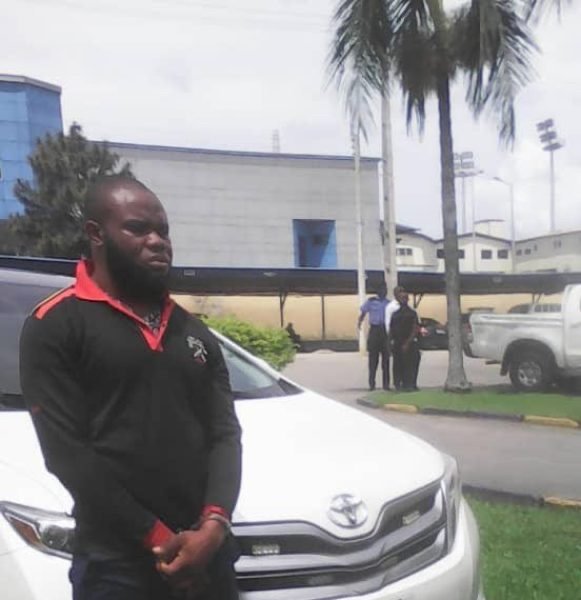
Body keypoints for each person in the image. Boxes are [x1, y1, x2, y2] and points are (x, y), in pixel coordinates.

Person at [19, 175, 242, 600]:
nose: (157, 241)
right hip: (117, 567)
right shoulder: (56, 325)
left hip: (209, 560)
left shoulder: (192, 331)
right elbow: (68, 455)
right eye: (138, 229)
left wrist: (214, 526)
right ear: (96, 234)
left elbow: (225, 434)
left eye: (163, 231)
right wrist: (160, 539)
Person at [357, 284, 390, 390]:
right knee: (373, 359)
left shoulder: (388, 303)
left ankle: (386, 384)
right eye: (382, 289)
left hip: (385, 331)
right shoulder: (371, 302)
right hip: (374, 330)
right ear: (378, 291)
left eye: (385, 290)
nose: (384, 291)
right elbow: (363, 312)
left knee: (386, 360)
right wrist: (359, 322)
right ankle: (372, 384)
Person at [390, 292, 421, 391]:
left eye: (405, 298)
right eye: (401, 298)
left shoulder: (412, 313)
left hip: (410, 343)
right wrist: (390, 342)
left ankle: (410, 384)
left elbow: (415, 328)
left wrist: (407, 343)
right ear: (398, 300)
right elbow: (391, 330)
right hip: (397, 343)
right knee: (398, 365)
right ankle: (398, 384)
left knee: (411, 365)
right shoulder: (395, 314)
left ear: (408, 300)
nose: (403, 300)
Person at [384, 286, 405, 390]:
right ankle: (397, 382)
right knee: (397, 361)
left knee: (405, 361)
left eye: (402, 292)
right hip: (396, 337)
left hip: (405, 337)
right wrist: (390, 338)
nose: (401, 294)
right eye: (399, 292)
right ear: (395, 294)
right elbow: (388, 323)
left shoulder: (405, 305)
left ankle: (405, 381)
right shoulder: (391, 307)